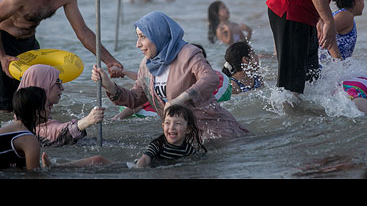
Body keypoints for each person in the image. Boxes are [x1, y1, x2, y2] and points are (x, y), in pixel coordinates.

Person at [0, 0, 125, 113]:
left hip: (29, 43)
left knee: (34, 103)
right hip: (3, 42)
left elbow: (83, 32)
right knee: (6, 107)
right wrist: (2, 57)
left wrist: (110, 61)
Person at [91, 11, 249, 139]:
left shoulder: (188, 53)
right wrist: (109, 86)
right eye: (137, 37)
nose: (137, 44)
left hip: (215, 133)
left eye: (142, 37)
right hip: (180, 136)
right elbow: (135, 98)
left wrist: (180, 100)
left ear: (158, 35)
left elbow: (210, 78)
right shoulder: (146, 65)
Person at [16, 64, 105, 146]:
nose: (62, 88)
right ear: (43, 85)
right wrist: (88, 120)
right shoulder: (31, 126)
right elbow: (56, 133)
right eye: (57, 82)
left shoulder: (27, 116)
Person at [134, 104, 207, 168]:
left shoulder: (188, 150)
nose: (171, 127)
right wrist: (139, 168)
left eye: (177, 123)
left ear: (188, 129)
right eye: (167, 123)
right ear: (163, 126)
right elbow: (145, 159)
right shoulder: (158, 145)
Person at [319, 0, 365, 65]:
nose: (363, 4)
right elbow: (326, 33)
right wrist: (338, 60)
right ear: (356, 1)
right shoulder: (346, 16)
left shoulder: (343, 14)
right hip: (328, 66)